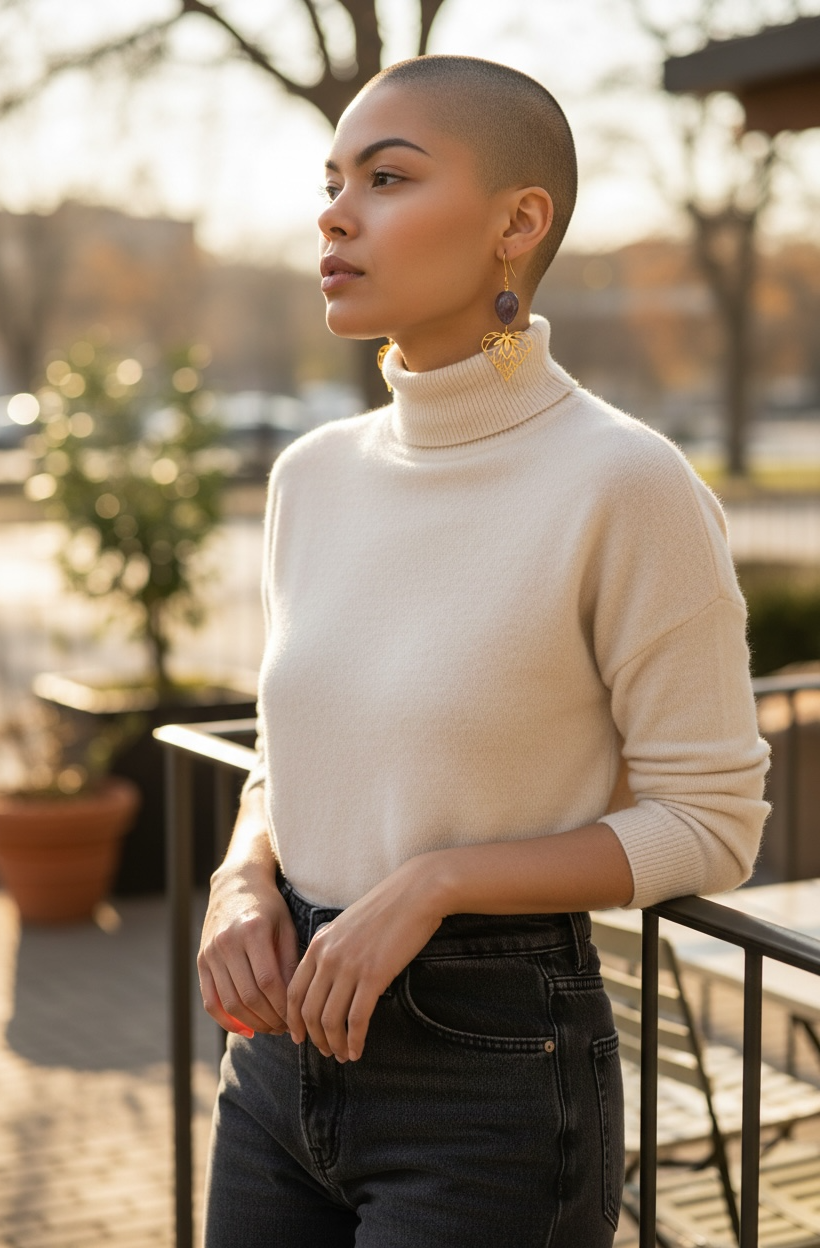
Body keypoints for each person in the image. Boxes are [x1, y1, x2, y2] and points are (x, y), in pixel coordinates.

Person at [198, 54, 769, 1247]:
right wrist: (242, 874)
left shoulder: (625, 483)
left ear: (519, 222)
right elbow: (292, 755)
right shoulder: (310, 478)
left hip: (490, 1078)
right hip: (273, 1067)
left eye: (388, 177)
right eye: (333, 180)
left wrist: (435, 883)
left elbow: (711, 820)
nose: (335, 211)